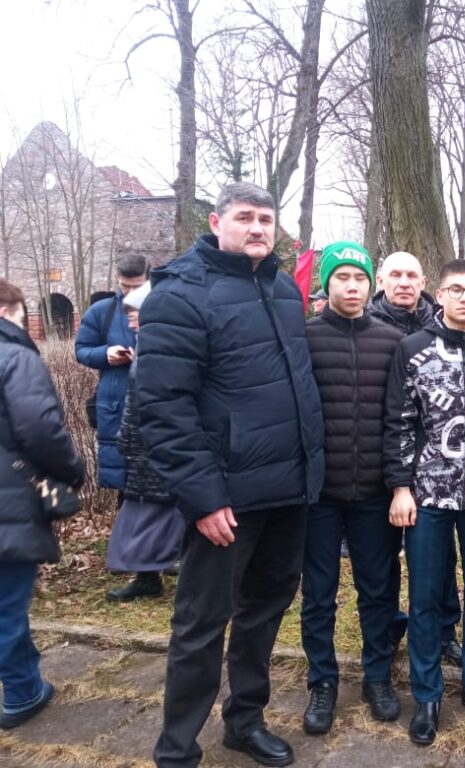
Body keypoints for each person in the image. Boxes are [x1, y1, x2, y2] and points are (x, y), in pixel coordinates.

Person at [137, 182, 324, 768]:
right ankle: (177, 749)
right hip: (226, 499)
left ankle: (245, 720)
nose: (258, 228)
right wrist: (203, 497)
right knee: (201, 625)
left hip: (288, 489)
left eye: (266, 219)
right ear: (217, 223)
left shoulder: (283, 289)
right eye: (245, 217)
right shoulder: (181, 293)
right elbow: (163, 408)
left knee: (263, 614)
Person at [383, 259, 465, 746]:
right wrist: (401, 487)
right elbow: (399, 421)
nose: (464, 297)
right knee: (425, 596)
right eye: (455, 289)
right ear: (438, 295)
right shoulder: (414, 349)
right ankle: (427, 694)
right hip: (428, 495)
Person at [300, 241, 405, 734]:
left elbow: (399, 418)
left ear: (370, 284)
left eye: (359, 277)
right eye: (342, 277)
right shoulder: (305, 338)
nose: (351, 286)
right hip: (319, 495)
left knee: (378, 590)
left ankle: (377, 675)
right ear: (327, 283)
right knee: (319, 594)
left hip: (374, 494)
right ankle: (322, 681)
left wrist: (398, 483)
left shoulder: (391, 342)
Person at [368, 250, 463, 668]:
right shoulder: (367, 325)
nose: (404, 282)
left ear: (424, 283)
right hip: (379, 457)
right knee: (382, 557)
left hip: (434, 466)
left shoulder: (442, 325)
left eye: (411, 275)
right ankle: (389, 629)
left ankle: (444, 631)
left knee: (440, 557)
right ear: (381, 281)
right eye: (395, 275)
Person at [0, 279, 84, 729]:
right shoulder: (14, 356)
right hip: (9, 505)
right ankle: (21, 694)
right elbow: (40, 428)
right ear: (8, 311)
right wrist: (72, 471)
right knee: (6, 605)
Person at [105, 282, 185, 601]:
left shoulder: (165, 347)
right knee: (144, 514)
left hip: (158, 447)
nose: (129, 319)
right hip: (142, 449)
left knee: (161, 515)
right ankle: (148, 579)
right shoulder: (147, 344)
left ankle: (172, 577)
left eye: (134, 312)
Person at [75, 253, 148, 497]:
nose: (130, 293)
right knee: (125, 484)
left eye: (137, 287)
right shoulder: (102, 311)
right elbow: (82, 349)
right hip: (116, 403)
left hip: (153, 401)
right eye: (125, 286)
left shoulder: (165, 306)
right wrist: (106, 354)